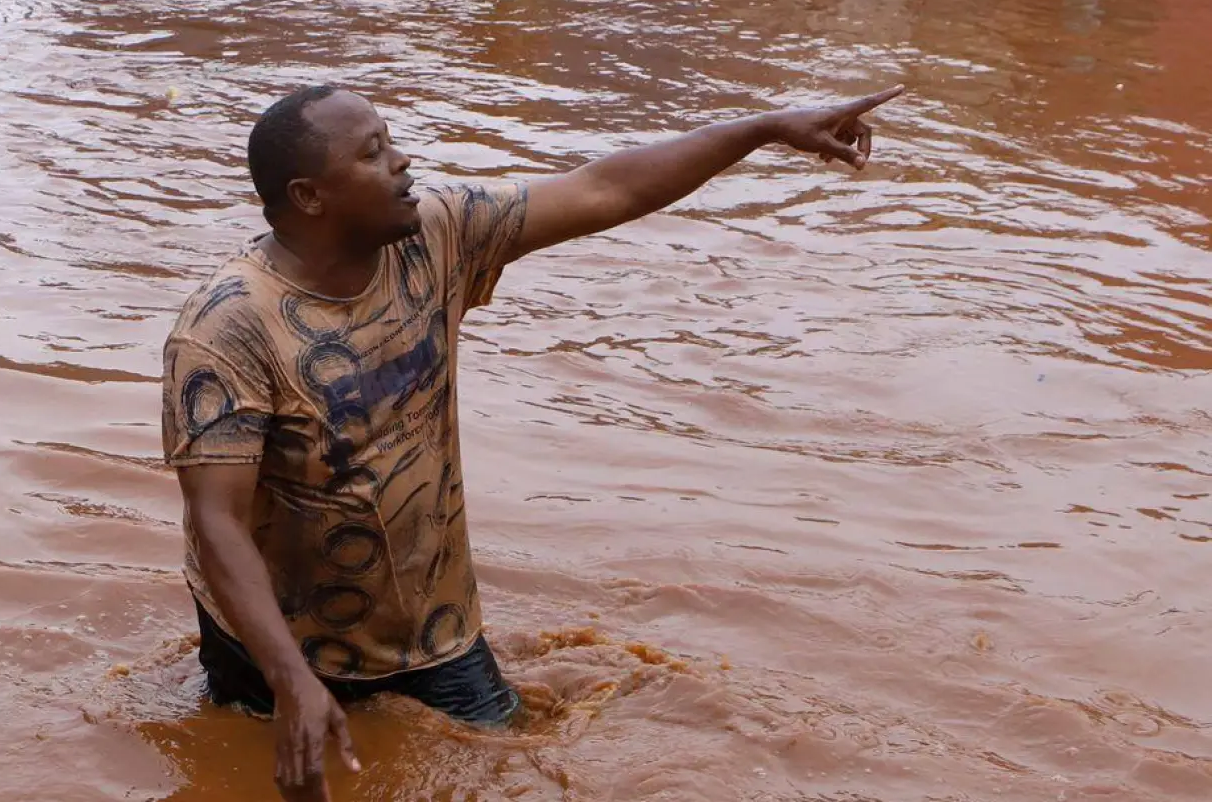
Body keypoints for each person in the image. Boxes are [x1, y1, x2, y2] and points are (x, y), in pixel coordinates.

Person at [159, 83, 905, 801]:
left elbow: (604, 190)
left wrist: (764, 129)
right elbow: (216, 520)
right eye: (373, 152)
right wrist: (291, 680)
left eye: (391, 144)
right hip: (273, 647)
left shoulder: (435, 235)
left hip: (432, 629)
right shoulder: (228, 327)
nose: (402, 163)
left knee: (512, 771)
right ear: (309, 197)